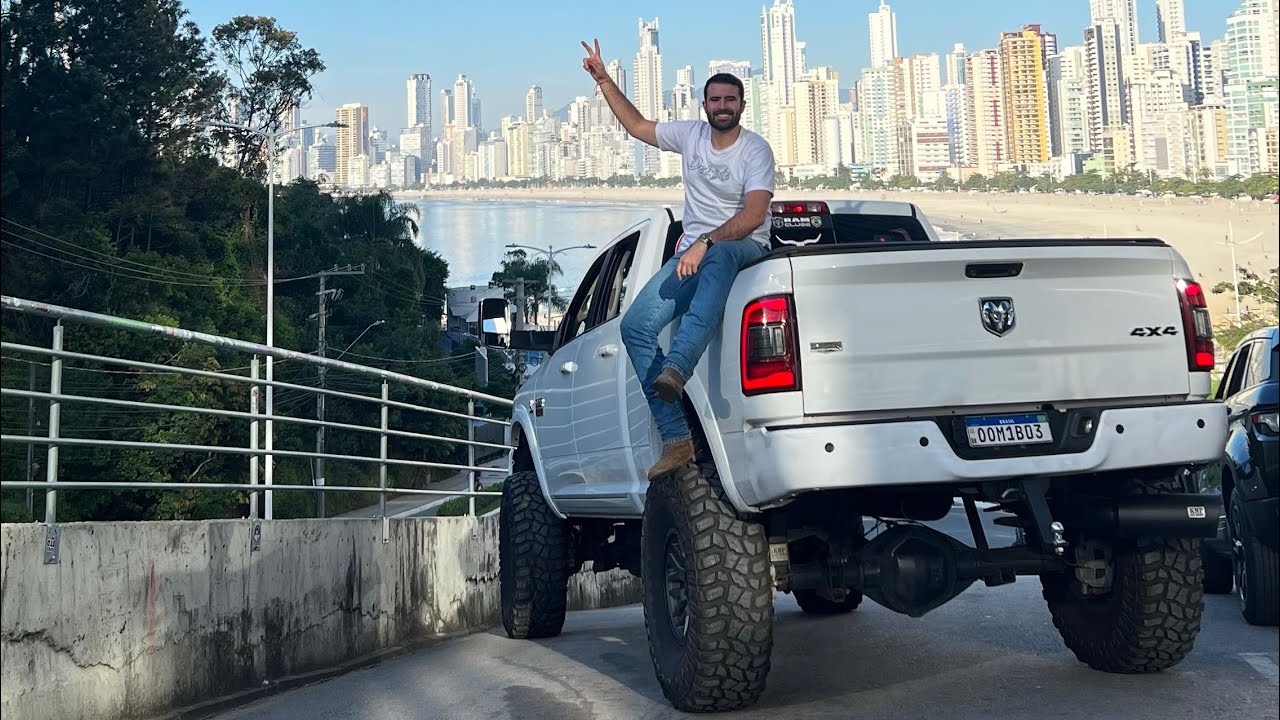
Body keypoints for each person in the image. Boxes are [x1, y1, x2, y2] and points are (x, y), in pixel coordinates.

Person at [580, 39, 776, 480]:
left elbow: (753, 216)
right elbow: (637, 126)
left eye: (730, 99)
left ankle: (679, 365)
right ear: (704, 105)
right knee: (635, 326)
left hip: (744, 247)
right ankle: (676, 438)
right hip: (696, 250)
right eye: (715, 99)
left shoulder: (755, 150)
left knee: (720, 255)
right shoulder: (690, 135)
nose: (722, 106)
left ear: (742, 105)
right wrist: (604, 80)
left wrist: (704, 241)